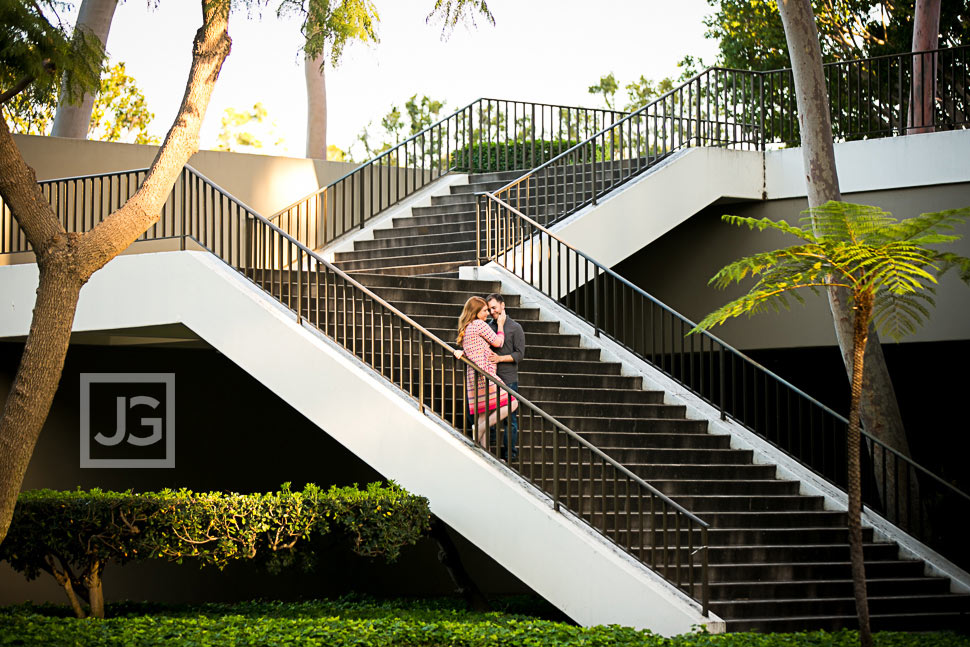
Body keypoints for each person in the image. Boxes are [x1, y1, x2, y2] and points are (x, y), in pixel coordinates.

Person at [454, 296, 518, 448]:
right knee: (512, 402)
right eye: (484, 311)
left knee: (483, 413)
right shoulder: (478, 324)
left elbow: (473, 348)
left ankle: (483, 450)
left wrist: (462, 351)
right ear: (475, 312)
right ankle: (481, 429)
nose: (488, 313)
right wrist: (501, 325)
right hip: (485, 374)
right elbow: (498, 342)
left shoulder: (468, 327)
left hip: (474, 376)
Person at [486, 293, 525, 460]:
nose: (492, 312)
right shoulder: (487, 326)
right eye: (489, 309)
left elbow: (519, 354)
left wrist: (500, 358)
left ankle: (510, 454)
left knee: (510, 419)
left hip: (508, 379)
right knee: (487, 413)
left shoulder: (515, 328)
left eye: (494, 308)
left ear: (503, 305)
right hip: (489, 377)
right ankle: (489, 444)